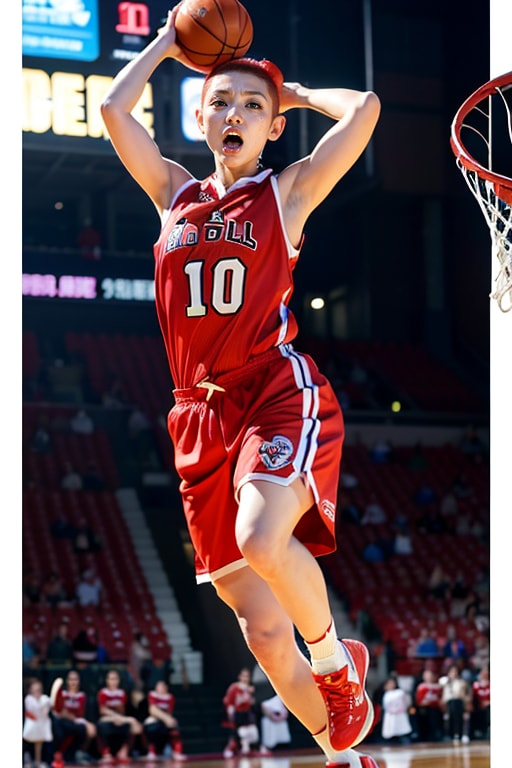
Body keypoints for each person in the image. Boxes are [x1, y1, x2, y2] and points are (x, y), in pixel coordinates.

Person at [101, 13, 380, 768]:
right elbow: (114, 110)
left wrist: (295, 93)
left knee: (263, 538)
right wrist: (169, 39)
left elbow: (365, 110)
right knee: (260, 632)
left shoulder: (284, 193)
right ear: (199, 117)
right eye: (221, 102)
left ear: (273, 128)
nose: (236, 114)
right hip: (196, 416)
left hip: (269, 390)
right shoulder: (172, 193)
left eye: (254, 107)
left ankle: (336, 663)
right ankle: (344, 757)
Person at [96, 669, 143, 764]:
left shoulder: (122, 693)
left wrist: (120, 718)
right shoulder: (102, 693)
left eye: (115, 679)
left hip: (119, 718)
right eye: (111, 679)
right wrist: (119, 718)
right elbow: (103, 710)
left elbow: (122, 711)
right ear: (107, 680)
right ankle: (105, 752)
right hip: (107, 719)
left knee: (136, 727)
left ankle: (124, 751)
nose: (113, 681)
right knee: (100, 724)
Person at [50, 670, 97, 765]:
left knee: (86, 729)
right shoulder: (62, 694)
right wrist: (69, 716)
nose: (73, 682)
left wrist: (72, 717)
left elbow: (80, 713)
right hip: (63, 723)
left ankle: (79, 753)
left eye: (75, 679)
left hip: (77, 723)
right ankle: (59, 754)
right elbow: (60, 712)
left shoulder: (82, 696)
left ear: (79, 681)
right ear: (67, 681)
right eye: (71, 679)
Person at [142, 679, 186, 761]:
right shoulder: (152, 695)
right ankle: (152, 751)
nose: (162, 688)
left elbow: (170, 711)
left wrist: (167, 718)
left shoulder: (170, 697)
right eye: (159, 686)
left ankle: (177, 751)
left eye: (163, 686)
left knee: (174, 725)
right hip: (154, 718)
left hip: (166, 718)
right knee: (151, 726)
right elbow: (152, 709)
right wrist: (163, 717)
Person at [222, 667, 260, 757]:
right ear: (240, 677)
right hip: (237, 714)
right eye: (244, 676)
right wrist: (230, 712)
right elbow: (228, 701)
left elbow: (252, 702)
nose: (245, 678)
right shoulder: (234, 687)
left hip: (247, 713)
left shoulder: (250, 689)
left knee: (252, 733)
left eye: (247, 676)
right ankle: (231, 748)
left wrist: (250, 699)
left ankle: (247, 747)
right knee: (238, 733)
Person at [23, 678, 53, 768]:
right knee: (27, 742)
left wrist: (49, 702)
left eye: (39, 689)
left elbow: (49, 706)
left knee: (39, 744)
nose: (37, 691)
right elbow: (35, 709)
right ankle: (26, 761)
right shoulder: (28, 699)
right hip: (32, 725)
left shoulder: (44, 698)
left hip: (41, 725)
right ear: (30, 690)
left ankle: (38, 762)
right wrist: (43, 704)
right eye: (35, 689)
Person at [440, 663, 472, 744]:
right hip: (448, 703)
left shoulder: (462, 682)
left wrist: (467, 702)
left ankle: (459, 733)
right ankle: (449, 734)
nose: (454, 674)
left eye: (455, 672)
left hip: (459, 702)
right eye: (452, 672)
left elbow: (466, 694)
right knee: (450, 714)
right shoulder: (445, 682)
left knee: (458, 715)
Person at [380, 676, 413, 745]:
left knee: (402, 728)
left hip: (400, 714)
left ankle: (404, 740)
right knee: (391, 728)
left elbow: (406, 702)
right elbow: (385, 705)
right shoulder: (386, 695)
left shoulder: (400, 692)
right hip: (390, 715)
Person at [413, 668, 443, 742]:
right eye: (427, 676)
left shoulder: (437, 686)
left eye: (430, 676)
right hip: (424, 708)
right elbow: (418, 699)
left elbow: (440, 698)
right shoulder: (421, 686)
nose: (429, 678)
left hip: (435, 708)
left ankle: (436, 734)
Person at [471, 665, 490, 740]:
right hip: (477, 705)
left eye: (486, 673)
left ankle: (487, 731)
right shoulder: (476, 685)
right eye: (483, 673)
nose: (484, 675)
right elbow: (473, 697)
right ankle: (477, 731)